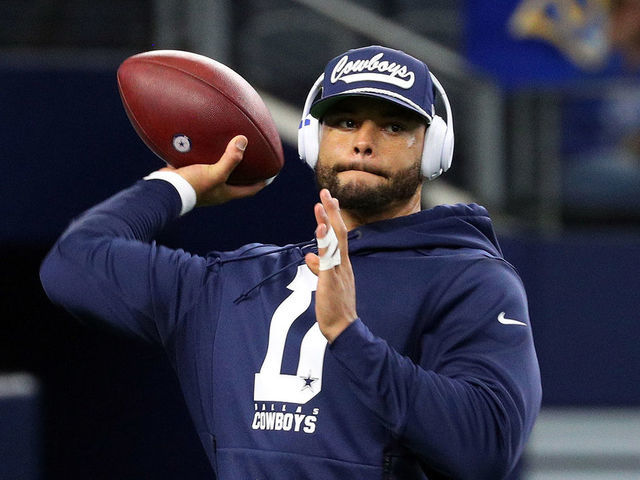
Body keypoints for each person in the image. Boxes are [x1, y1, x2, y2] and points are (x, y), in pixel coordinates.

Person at [40, 45, 541, 479]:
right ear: (311, 138)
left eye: (394, 125)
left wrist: (348, 334)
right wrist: (180, 185)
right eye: (345, 122)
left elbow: (487, 451)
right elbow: (73, 262)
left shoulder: (469, 280)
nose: (363, 140)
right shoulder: (234, 283)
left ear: (433, 149)